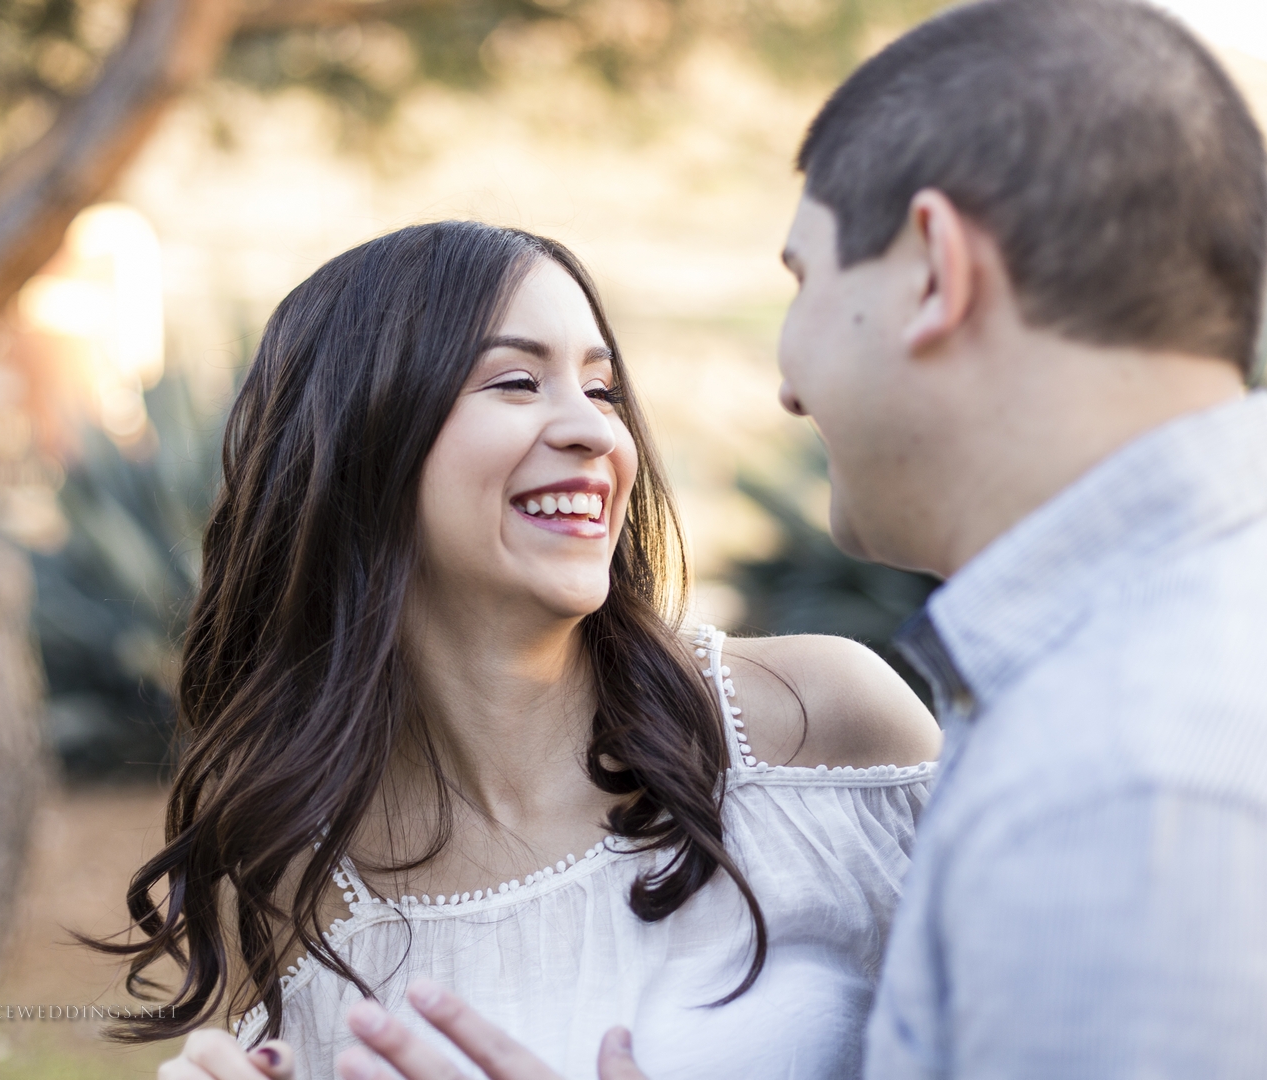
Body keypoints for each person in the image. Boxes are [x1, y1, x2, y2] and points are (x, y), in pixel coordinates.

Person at [319, 2, 1267, 1078]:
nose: (784, 382)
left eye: (804, 281)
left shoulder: (1135, 773)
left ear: (934, 271)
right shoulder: (1191, 659)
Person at [111, 220, 941, 1080]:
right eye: (516, 381)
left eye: (603, 389)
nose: (594, 431)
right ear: (364, 443)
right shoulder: (286, 871)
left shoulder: (822, 727)